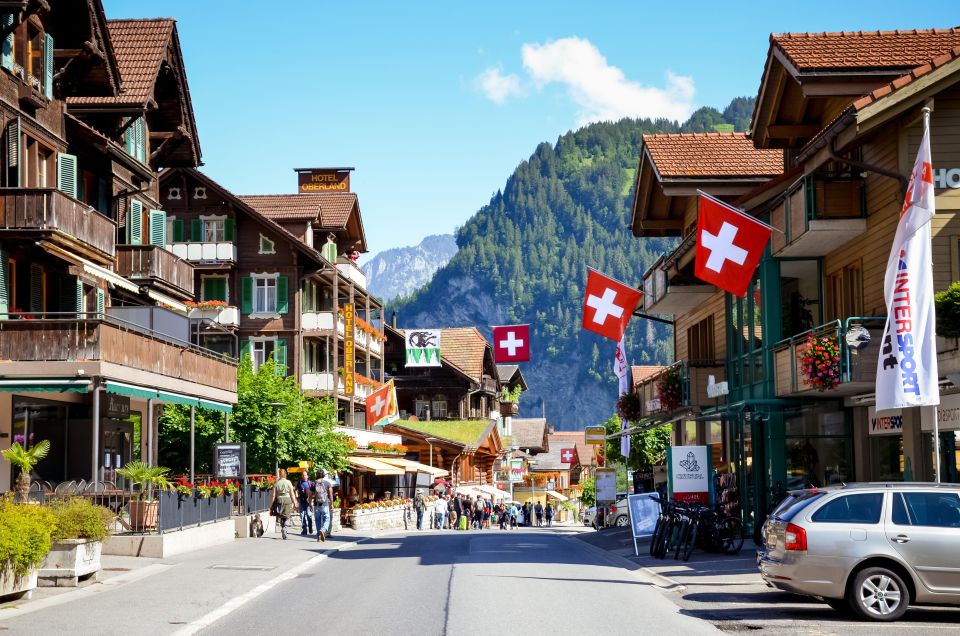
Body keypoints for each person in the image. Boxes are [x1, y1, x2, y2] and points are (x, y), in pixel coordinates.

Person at [270, 469, 298, 540]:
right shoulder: (288, 482)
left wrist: (271, 505)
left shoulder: (276, 483)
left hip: (279, 500)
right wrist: (295, 503)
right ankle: (285, 528)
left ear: (280, 475)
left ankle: (283, 527)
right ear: (285, 474)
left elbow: (273, 495)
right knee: (287, 515)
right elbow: (292, 494)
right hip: (287, 500)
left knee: (281, 516)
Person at [312, 468, 334, 542]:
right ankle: (323, 529)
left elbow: (310, 494)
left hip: (316, 504)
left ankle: (319, 536)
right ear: (324, 475)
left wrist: (309, 503)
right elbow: (330, 494)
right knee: (327, 519)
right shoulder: (327, 483)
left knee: (317, 520)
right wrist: (331, 504)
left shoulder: (313, 483)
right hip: (325, 504)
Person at [297, 471, 314, 536]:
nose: (304, 476)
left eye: (305, 475)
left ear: (307, 476)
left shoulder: (310, 483)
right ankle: (304, 529)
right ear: (302, 476)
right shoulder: (299, 483)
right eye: (303, 475)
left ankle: (310, 527)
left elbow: (313, 492)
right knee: (302, 515)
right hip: (302, 501)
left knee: (309, 515)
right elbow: (298, 491)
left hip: (308, 501)